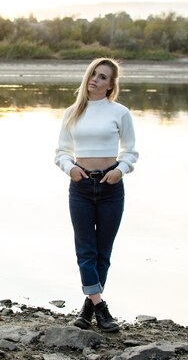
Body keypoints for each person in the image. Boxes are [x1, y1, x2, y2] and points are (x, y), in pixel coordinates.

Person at [54, 57, 138, 332]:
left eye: (102, 77)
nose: (95, 80)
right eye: (93, 74)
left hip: (111, 187)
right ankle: (101, 308)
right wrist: (70, 168)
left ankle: (89, 307)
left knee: (103, 252)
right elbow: (61, 152)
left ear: (111, 84)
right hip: (80, 187)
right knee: (86, 250)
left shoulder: (120, 113)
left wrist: (121, 169)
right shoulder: (73, 112)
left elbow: (130, 150)